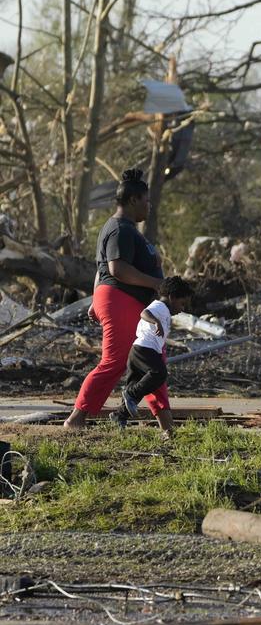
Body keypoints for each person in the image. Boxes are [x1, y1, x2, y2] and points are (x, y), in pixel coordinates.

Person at [63, 169, 171, 430]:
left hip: (121, 300)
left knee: (153, 360)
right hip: (121, 300)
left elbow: (101, 268)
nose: (149, 205)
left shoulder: (126, 230)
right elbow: (117, 269)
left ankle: (167, 427)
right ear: (133, 200)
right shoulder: (120, 229)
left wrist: (94, 299)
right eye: (146, 200)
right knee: (117, 361)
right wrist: (158, 283)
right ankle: (75, 420)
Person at [112, 276, 194, 434]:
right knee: (159, 373)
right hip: (145, 349)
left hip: (137, 351)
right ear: (172, 297)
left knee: (135, 387)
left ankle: (119, 416)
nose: (182, 308)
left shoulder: (163, 310)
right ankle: (130, 394)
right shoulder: (160, 306)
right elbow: (144, 313)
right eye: (182, 303)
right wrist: (156, 322)